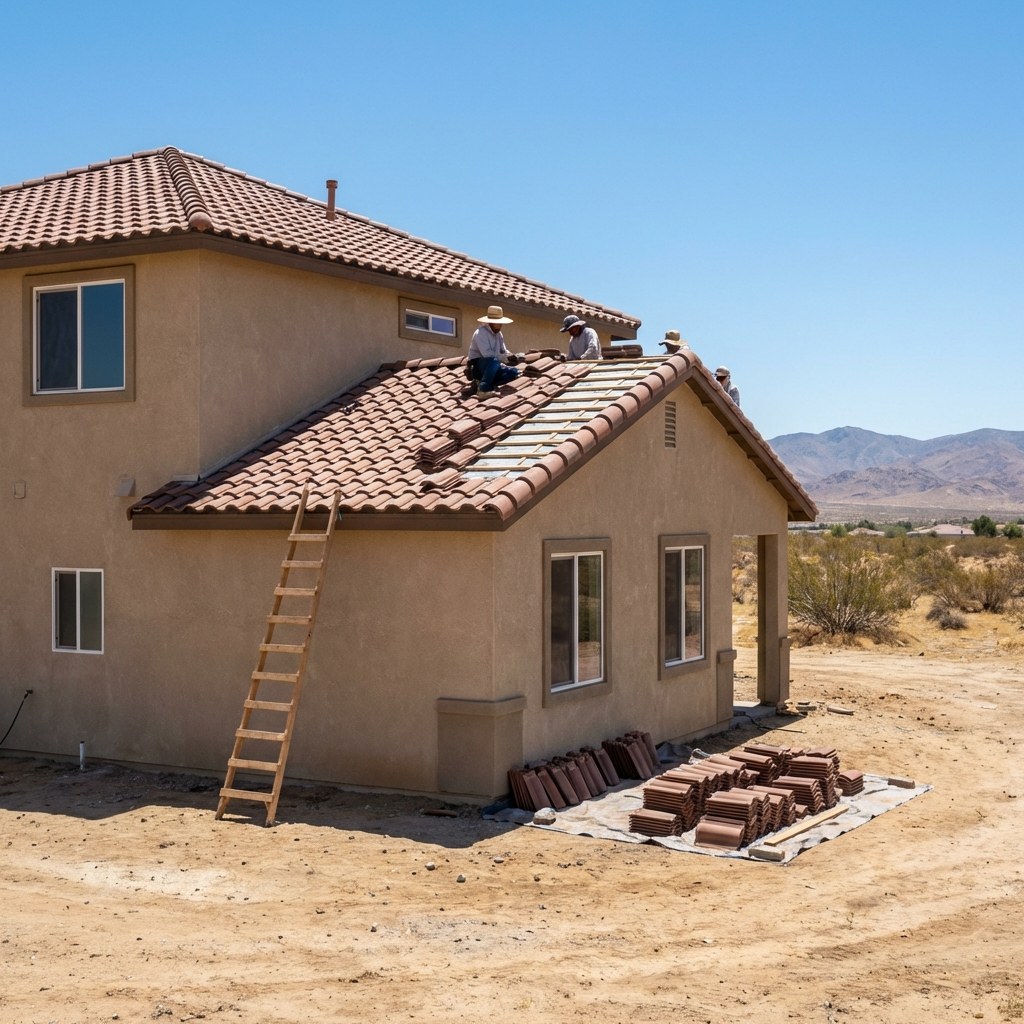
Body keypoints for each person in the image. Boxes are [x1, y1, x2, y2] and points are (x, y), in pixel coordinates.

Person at [468, 305, 521, 393]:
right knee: (493, 361)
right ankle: (483, 389)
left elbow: (503, 351)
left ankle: (490, 383)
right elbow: (487, 354)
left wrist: (510, 356)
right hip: (478, 366)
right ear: (491, 323)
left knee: (514, 372)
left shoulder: (499, 335)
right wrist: (504, 358)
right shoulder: (480, 333)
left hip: (494, 366)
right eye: (498, 323)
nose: (500, 325)